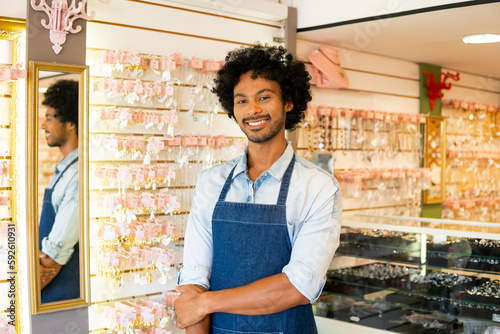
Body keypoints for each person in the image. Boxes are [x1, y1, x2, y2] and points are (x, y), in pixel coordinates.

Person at [175, 44, 342, 333]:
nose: (252, 110)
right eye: (241, 101)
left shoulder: (318, 186)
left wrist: (207, 303)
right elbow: (194, 280)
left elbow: (299, 285)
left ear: (288, 102)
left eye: (264, 97)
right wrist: (200, 305)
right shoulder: (210, 182)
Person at [38, 79, 80, 303]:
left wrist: (25, 287)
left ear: (70, 123)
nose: (43, 125)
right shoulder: (65, 169)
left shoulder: (77, 175)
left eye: (49, 118)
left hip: (62, 299)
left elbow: (53, 258)